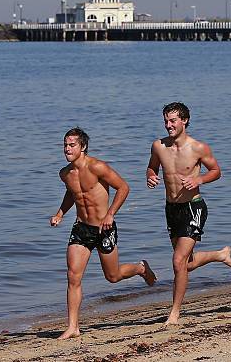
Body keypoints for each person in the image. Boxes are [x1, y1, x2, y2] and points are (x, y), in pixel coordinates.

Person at [50, 127, 157, 339]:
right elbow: (73, 194)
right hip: (81, 229)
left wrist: (110, 214)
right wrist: (60, 213)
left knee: (113, 276)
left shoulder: (97, 166)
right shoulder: (65, 173)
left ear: (83, 147)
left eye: (72, 145)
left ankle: (140, 268)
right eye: (65, 145)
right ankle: (73, 327)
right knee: (73, 275)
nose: (67, 149)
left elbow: (123, 187)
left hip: (104, 228)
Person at [146, 102, 231, 325]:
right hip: (171, 209)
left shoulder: (198, 148)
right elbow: (152, 167)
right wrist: (150, 176)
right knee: (184, 264)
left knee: (178, 261)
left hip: (193, 207)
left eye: (173, 121)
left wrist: (199, 179)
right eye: (166, 121)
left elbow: (216, 171)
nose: (168, 125)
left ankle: (175, 313)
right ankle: (219, 255)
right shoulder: (158, 146)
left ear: (184, 120)